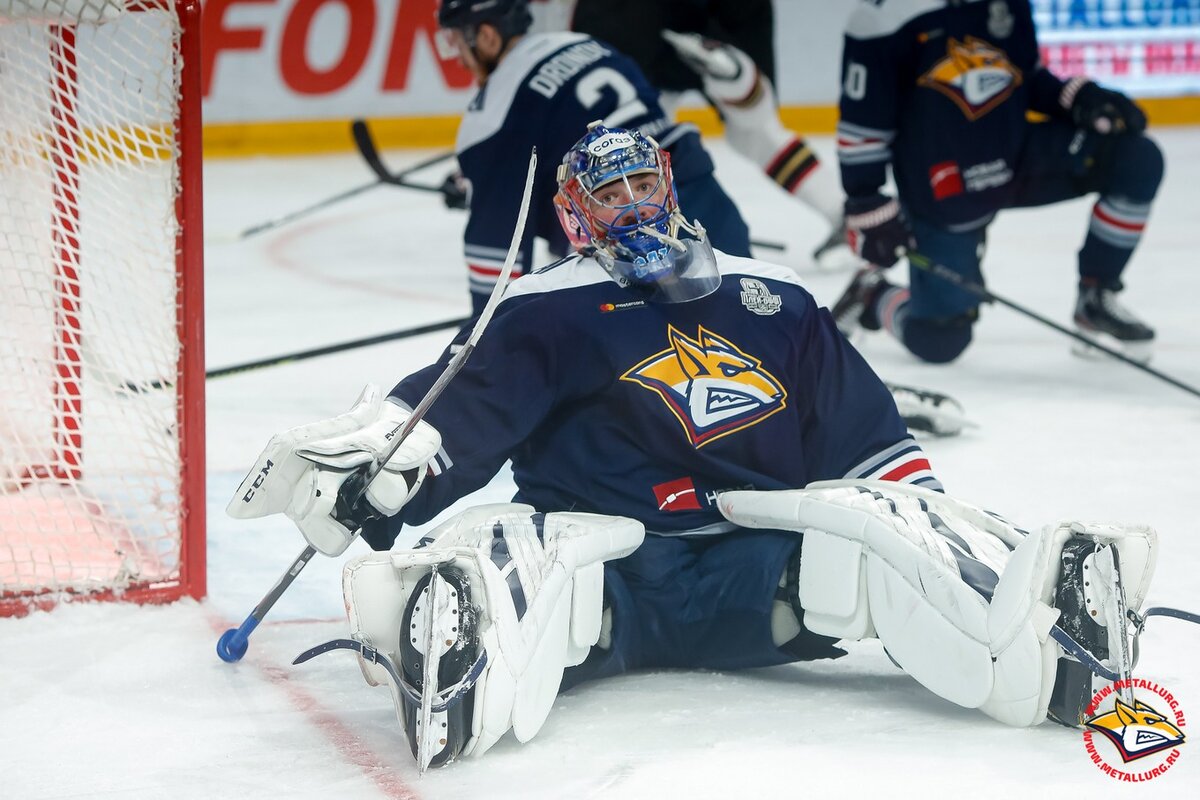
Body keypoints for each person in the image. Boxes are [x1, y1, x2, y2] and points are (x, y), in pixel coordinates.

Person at [227, 126, 1157, 769]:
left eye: (644, 184)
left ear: (668, 190)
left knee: (881, 527)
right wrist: (388, 484)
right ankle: (450, 645)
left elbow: (869, 444)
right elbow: (453, 425)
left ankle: (1047, 641)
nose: (631, 206)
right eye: (610, 191)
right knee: (512, 546)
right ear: (575, 213)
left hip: (767, 583)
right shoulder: (544, 308)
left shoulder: (772, 294)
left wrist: (940, 528)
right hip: (613, 585)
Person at [831, 0, 1163, 364]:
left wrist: (1078, 97)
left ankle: (1095, 298)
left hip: (1018, 157)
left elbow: (1021, 75)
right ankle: (873, 295)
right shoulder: (882, 18)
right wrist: (866, 199)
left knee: (1135, 160)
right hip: (943, 191)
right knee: (939, 340)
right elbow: (862, 127)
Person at [433, 0, 750, 315]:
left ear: (487, 36)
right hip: (704, 207)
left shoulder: (490, 116)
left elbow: (496, 258)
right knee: (751, 334)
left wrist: (486, 332)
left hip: (622, 252)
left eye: (456, 41)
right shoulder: (585, 43)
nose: (458, 58)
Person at [540, 0, 850, 266]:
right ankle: (846, 213)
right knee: (752, 127)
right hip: (650, 28)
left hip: (647, 25)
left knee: (627, 147)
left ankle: (595, 248)